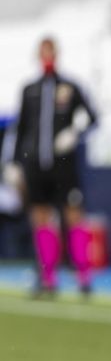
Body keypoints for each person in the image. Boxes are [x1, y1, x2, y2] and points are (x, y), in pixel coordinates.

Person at [1, 37, 98, 296]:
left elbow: (92, 117)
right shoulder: (29, 89)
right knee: (40, 218)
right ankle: (48, 278)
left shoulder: (70, 86)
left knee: (73, 215)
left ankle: (83, 276)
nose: (47, 56)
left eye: (51, 51)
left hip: (64, 165)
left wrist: (74, 133)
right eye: (43, 52)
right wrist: (13, 163)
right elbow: (21, 129)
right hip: (35, 165)